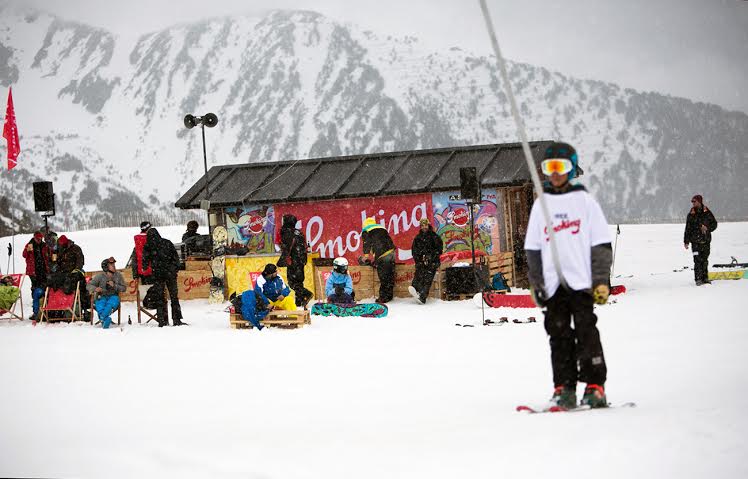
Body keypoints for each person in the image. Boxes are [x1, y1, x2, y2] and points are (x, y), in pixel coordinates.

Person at [524, 141, 613, 410]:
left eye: (561, 167)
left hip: (581, 281)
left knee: (586, 331)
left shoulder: (584, 202)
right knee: (558, 334)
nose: (555, 173)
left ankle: (595, 386)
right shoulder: (541, 205)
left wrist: (601, 280)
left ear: (571, 168)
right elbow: (533, 248)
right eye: (549, 168)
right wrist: (537, 282)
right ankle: (564, 387)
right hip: (553, 285)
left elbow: (600, 244)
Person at [143, 227, 185, 327]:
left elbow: (145, 263)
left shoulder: (148, 246)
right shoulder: (167, 242)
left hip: (157, 274)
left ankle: (162, 320)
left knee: (160, 298)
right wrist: (174, 269)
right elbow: (176, 258)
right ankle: (177, 319)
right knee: (174, 297)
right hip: (170, 273)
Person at [277, 214, 313, 308]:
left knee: (292, 283)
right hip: (301, 260)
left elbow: (286, 248)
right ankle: (299, 301)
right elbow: (304, 246)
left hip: (293, 260)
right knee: (299, 281)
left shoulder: (286, 232)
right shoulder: (298, 232)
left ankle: (306, 294)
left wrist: (283, 260)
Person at [684, 194, 718, 286]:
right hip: (695, 243)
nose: (693, 203)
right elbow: (687, 229)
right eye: (692, 201)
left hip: (705, 241)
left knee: (704, 260)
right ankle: (698, 279)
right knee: (697, 261)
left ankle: (705, 278)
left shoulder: (707, 212)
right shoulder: (691, 214)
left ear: (699, 201)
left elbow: (714, 224)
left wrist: (707, 228)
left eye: (694, 201)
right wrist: (686, 241)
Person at [361, 217, 395, 303]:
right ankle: (389, 296)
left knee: (383, 277)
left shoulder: (366, 230)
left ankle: (383, 298)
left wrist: (366, 256)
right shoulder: (382, 228)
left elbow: (366, 243)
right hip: (391, 252)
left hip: (382, 254)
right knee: (390, 275)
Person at [408, 218, 443, 304]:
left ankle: (422, 297)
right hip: (421, 262)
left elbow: (439, 249)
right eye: (422, 225)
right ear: (420, 227)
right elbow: (414, 251)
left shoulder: (434, 237)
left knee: (428, 278)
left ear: (428, 225)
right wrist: (419, 259)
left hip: (432, 262)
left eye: (425, 225)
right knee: (418, 275)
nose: (424, 227)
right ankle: (416, 290)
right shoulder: (418, 238)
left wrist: (430, 256)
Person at [87, 257, 126, 329]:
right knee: (100, 304)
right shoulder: (99, 276)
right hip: (101, 296)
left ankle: (102, 317)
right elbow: (89, 285)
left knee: (111, 303)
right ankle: (105, 319)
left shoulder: (118, 276)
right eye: (111, 265)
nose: (114, 266)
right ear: (106, 267)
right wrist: (95, 288)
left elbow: (124, 288)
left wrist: (114, 285)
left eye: (114, 264)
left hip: (113, 296)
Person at [22, 231, 51, 321]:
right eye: (38, 239)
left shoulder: (44, 245)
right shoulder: (29, 245)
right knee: (35, 290)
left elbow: (48, 255)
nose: (39, 240)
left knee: (45, 290)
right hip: (33, 272)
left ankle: (44, 310)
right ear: (34, 237)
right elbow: (24, 255)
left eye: (40, 238)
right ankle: (36, 312)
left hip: (43, 271)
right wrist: (27, 250)